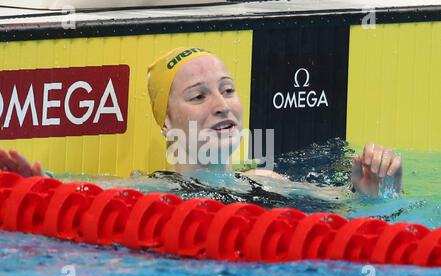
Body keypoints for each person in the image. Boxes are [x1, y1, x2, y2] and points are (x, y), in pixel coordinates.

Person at [0, 47, 402, 198]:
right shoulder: (151, 191)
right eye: (198, 96)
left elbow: (357, 212)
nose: (221, 105)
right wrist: (37, 188)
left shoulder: (266, 181)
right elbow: (87, 192)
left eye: (227, 90)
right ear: (167, 124)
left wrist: (377, 190)